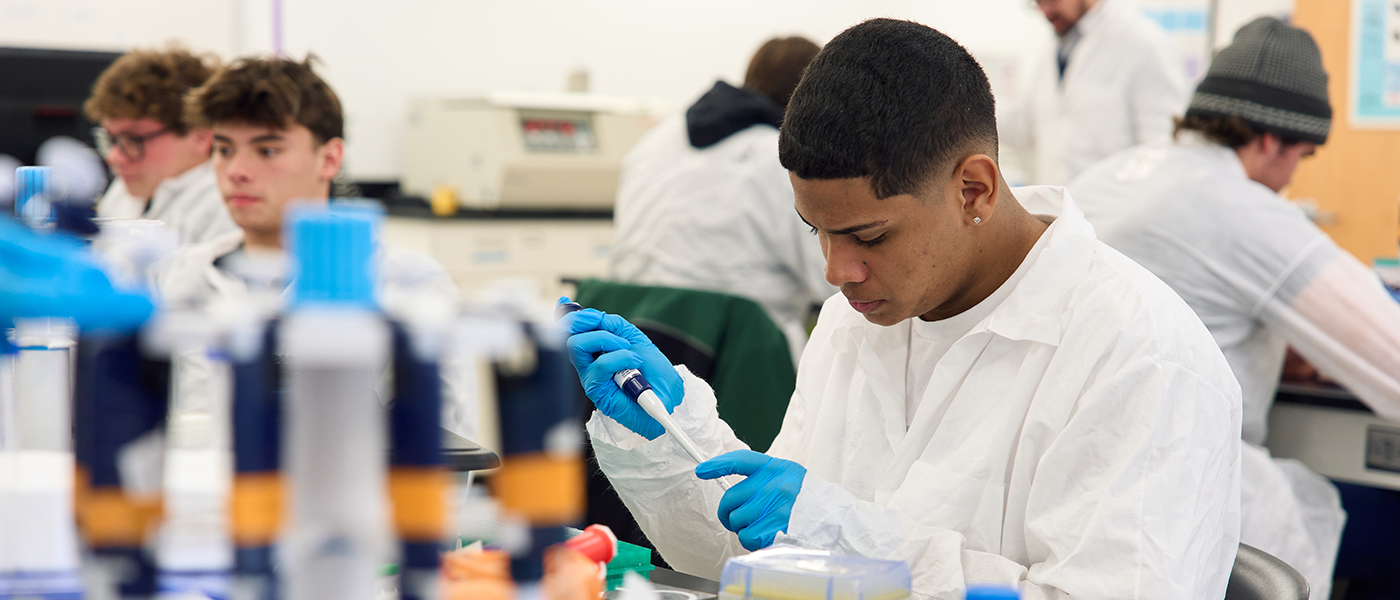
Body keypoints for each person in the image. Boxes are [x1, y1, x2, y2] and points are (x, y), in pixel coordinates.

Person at [564, 19, 1243, 599]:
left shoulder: (1139, 354)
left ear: (973, 189)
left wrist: (841, 533)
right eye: (817, 232)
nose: (836, 271)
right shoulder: (855, 321)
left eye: (868, 236)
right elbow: (756, 567)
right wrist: (669, 436)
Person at [1069, 17, 1400, 600]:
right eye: (1302, 156)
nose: (1292, 178)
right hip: (1173, 490)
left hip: (1070, 480)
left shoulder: (1108, 176)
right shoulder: (1242, 209)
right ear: (1272, 140)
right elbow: (1391, 356)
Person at [608, 37, 834, 362]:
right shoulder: (780, 160)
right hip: (734, 367)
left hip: (633, 350)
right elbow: (835, 279)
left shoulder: (653, 141)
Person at [999, 0, 1189, 186]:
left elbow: (1163, 150)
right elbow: (1024, 128)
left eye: (1051, 1)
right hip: (1056, 211)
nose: (1046, 12)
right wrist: (972, 103)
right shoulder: (1055, 47)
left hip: (1113, 211)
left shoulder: (1145, 44)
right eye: (1038, 3)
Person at [84, 46, 237, 245]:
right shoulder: (125, 190)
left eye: (133, 139)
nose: (113, 157)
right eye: (112, 140)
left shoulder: (221, 206)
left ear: (200, 138)